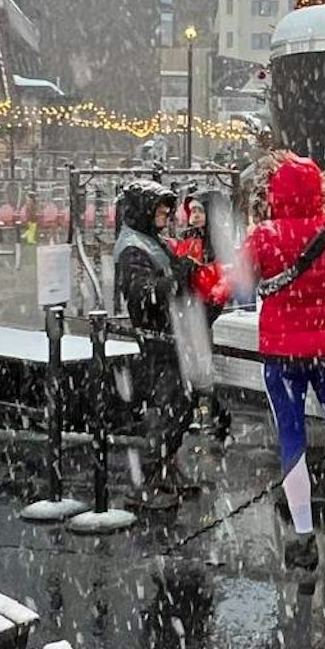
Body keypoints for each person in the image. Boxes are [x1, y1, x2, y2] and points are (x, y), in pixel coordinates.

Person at [244, 155, 325, 569]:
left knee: (292, 437)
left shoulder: (262, 237)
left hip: (282, 354)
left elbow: (242, 283)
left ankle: (303, 537)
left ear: (275, 192)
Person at [113, 180, 194, 466]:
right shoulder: (133, 249)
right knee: (166, 406)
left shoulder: (150, 240)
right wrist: (177, 278)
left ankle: (165, 468)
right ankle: (152, 475)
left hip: (170, 335)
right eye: (160, 209)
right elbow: (144, 294)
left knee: (180, 403)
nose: (165, 215)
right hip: (157, 339)